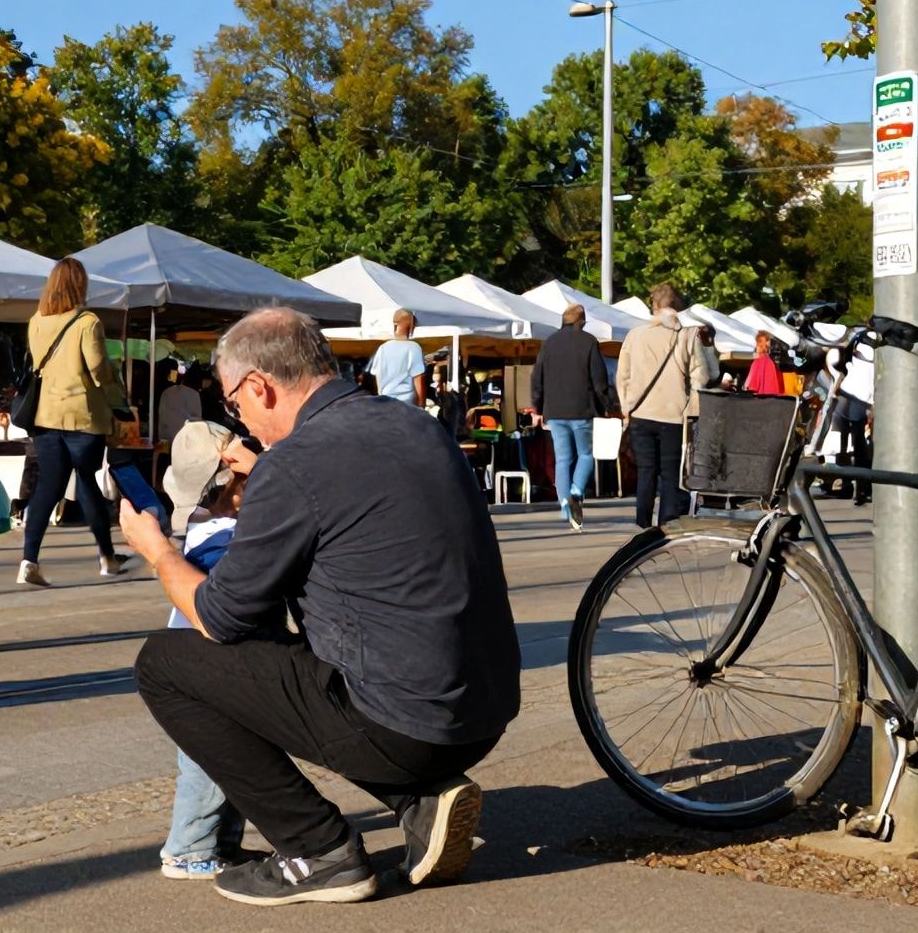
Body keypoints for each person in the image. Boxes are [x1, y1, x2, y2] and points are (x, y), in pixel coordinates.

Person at [120, 307, 519, 906]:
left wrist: (156, 551)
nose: (242, 420)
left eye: (235, 405)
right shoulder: (415, 426)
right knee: (313, 652)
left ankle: (317, 849)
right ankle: (419, 800)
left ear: (260, 385)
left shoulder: (295, 463)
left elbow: (220, 616)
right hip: (483, 710)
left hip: (405, 724)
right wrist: (275, 474)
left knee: (166, 664)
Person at [157, 419, 251, 880]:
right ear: (231, 485)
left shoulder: (200, 531)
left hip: (194, 670)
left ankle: (222, 844)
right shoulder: (226, 544)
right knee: (208, 770)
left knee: (227, 765)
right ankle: (188, 850)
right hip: (206, 676)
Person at [17, 258, 132, 587]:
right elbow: (98, 369)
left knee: (48, 488)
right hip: (83, 417)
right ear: (79, 285)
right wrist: (118, 395)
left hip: (45, 415)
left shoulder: (36, 321)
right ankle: (107, 557)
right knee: (86, 481)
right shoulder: (87, 322)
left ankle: (29, 560)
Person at [616, 282, 709, 529]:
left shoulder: (635, 335)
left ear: (653, 305)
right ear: (676, 306)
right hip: (674, 415)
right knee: (670, 474)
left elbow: (622, 376)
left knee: (646, 470)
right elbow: (701, 377)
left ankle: (642, 522)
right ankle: (667, 523)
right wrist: (692, 410)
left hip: (641, 413)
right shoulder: (687, 336)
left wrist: (627, 407)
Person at [531, 303, 610, 532]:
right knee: (585, 454)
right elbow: (599, 379)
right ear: (582, 322)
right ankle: (576, 492)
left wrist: (537, 406)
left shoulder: (549, 343)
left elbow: (537, 377)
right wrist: (605, 405)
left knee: (563, 460)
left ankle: (567, 508)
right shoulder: (588, 342)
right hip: (581, 409)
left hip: (554, 411)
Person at [365, 308, 426, 407]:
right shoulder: (413, 347)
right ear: (410, 324)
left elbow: (378, 377)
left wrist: (381, 395)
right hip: (407, 404)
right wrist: (422, 405)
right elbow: (418, 379)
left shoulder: (383, 348)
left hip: (386, 401)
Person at [157, 366, 205, 445]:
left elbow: (162, 417)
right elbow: (197, 421)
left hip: (166, 440)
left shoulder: (167, 392)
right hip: (185, 443)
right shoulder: (194, 395)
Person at [744, 331, 784, 397]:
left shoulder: (758, 362)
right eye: (768, 340)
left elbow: (750, 385)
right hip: (776, 399)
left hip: (763, 400)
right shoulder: (774, 362)